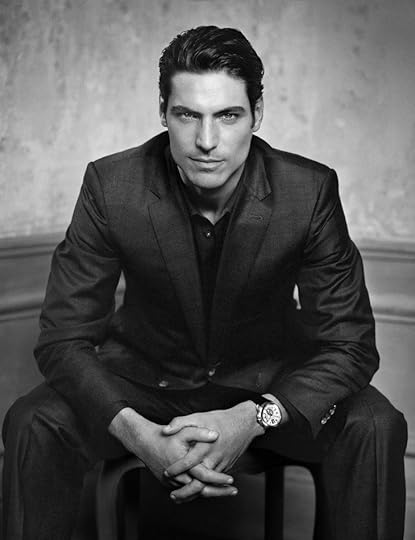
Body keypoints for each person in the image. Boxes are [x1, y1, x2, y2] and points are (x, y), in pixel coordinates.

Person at [2, 25, 407, 540]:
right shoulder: (112, 185)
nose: (207, 141)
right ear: (163, 112)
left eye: (228, 115)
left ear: (257, 113)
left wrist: (255, 417)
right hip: (146, 384)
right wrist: (135, 431)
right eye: (188, 115)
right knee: (34, 421)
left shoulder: (308, 191)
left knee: (374, 424)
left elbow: (350, 344)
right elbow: (63, 338)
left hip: (266, 385)